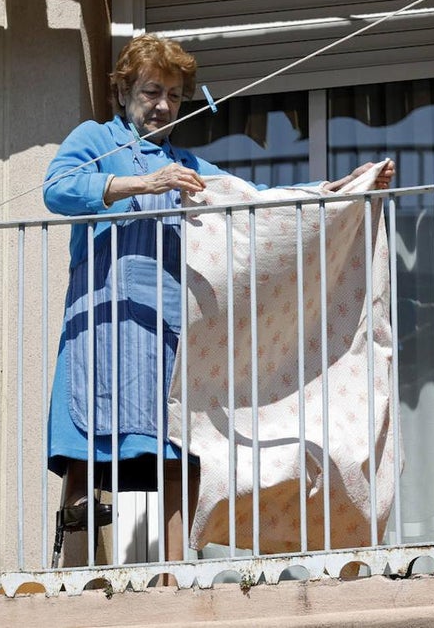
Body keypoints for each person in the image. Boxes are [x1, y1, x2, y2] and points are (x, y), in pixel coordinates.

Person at [42, 35, 394, 566]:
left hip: (172, 330)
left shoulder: (187, 165)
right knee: (87, 447)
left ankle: (171, 578)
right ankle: (75, 576)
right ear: (123, 92)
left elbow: (257, 204)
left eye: (174, 96)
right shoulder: (96, 139)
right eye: (152, 91)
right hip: (106, 322)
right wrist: (142, 183)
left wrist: (337, 192)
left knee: (176, 452)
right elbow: (58, 189)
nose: (164, 106)